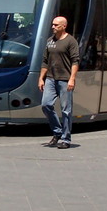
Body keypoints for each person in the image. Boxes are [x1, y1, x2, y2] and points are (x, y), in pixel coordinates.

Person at [39, 16, 80, 149]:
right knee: (46, 105)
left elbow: (75, 61)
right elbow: (45, 61)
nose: (53, 27)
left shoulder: (71, 41)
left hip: (65, 79)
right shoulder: (50, 41)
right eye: (53, 24)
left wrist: (72, 79)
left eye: (56, 25)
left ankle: (66, 139)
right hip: (51, 78)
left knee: (66, 110)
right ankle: (57, 131)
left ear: (63, 26)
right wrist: (41, 78)